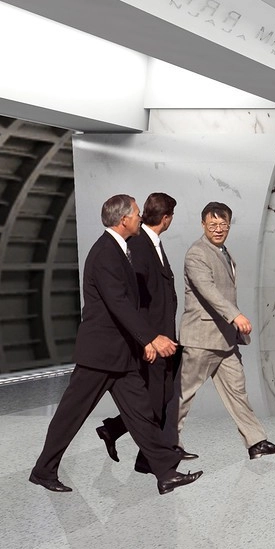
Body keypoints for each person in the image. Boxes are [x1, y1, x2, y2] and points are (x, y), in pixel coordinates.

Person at [29, 194, 201, 495]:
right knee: (70, 415)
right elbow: (118, 303)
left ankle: (165, 473)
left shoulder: (119, 249)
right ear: (123, 220)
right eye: (136, 213)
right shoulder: (105, 253)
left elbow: (128, 305)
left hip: (121, 355)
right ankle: (43, 471)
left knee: (142, 413)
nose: (140, 216)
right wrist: (150, 338)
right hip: (99, 355)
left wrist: (141, 342)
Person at [177, 202, 275, 459]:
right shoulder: (197, 253)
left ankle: (256, 442)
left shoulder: (223, 251)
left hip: (225, 339)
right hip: (202, 338)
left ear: (229, 225)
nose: (218, 229)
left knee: (237, 392)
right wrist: (235, 315)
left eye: (223, 224)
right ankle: (167, 445)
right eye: (212, 224)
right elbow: (208, 291)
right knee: (183, 395)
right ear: (203, 224)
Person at [95, 192, 198, 471]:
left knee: (161, 397)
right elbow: (134, 300)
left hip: (162, 335)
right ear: (167, 218)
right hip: (153, 338)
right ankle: (145, 457)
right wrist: (147, 340)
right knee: (155, 398)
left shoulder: (151, 243)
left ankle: (119, 434)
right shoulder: (139, 246)